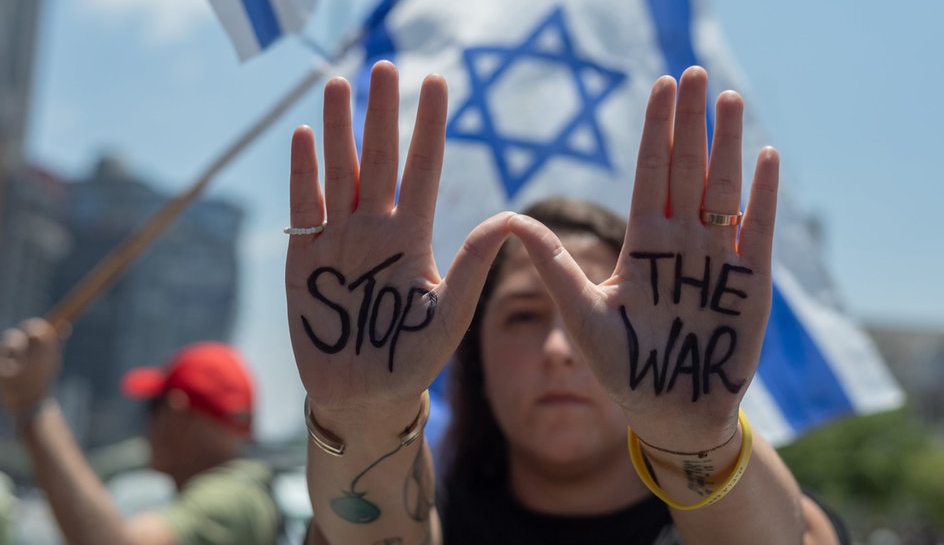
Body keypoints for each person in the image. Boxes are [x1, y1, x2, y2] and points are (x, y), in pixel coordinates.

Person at [286, 60, 847, 544]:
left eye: (602, 319)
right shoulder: (442, 519)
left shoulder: (751, 511)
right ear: (474, 356)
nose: (559, 349)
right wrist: (363, 417)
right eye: (523, 315)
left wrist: (696, 439)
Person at [0, 325, 281, 545]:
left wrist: (33, 405)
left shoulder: (230, 501)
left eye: (152, 406)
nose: (146, 426)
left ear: (177, 417)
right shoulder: (244, 496)